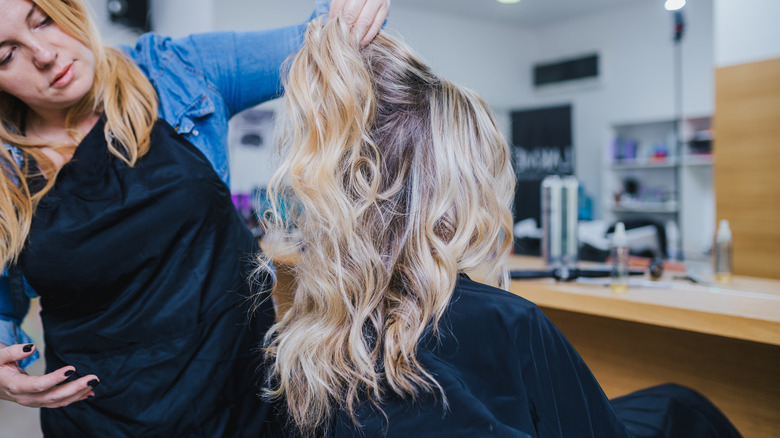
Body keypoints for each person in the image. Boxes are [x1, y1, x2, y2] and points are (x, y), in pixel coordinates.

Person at [257, 17, 742, 438]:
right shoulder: (510, 323)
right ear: (454, 195)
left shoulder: (310, 336)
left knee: (672, 403)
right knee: (682, 408)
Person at [0, 0, 390, 436]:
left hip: (239, 402)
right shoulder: (5, 174)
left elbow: (332, 35)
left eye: (44, 21)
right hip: (100, 420)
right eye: (6, 55)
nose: (44, 53)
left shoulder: (178, 72)